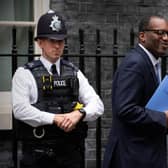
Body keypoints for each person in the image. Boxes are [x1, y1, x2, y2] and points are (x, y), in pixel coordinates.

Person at [12, 10, 104, 168]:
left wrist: (79, 114)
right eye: (51, 40)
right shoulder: (25, 74)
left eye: (60, 41)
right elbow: (20, 109)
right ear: (40, 42)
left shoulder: (74, 72)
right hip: (39, 155)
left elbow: (97, 105)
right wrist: (55, 118)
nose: (57, 45)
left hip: (71, 155)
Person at [103, 15, 168, 168]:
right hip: (132, 157)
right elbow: (125, 109)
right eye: (160, 33)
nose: (165, 38)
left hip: (145, 153)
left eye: (167, 33)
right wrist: (163, 117)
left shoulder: (152, 62)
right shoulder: (135, 63)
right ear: (142, 36)